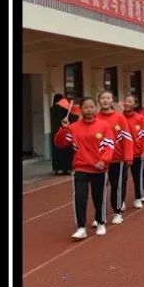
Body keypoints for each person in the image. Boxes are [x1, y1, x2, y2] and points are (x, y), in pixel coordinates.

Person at [53, 97, 115, 239]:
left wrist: (104, 161)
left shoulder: (104, 126)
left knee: (98, 197)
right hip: (80, 168)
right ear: (81, 109)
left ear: (95, 108)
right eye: (86, 107)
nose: (89, 110)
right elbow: (60, 143)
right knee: (80, 198)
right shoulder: (73, 127)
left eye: (91, 107)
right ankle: (81, 227)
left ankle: (100, 222)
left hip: (98, 168)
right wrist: (63, 128)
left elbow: (109, 146)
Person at [97, 91, 133, 225]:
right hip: (100, 160)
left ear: (112, 101)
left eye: (108, 98)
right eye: (103, 98)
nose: (105, 100)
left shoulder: (120, 118)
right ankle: (100, 214)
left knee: (117, 186)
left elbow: (127, 138)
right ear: (99, 101)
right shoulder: (95, 118)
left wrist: (128, 157)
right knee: (100, 187)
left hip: (118, 159)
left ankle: (117, 211)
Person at [50, 94, 74, 175]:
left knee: (56, 151)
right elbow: (70, 118)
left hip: (55, 133)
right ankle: (67, 168)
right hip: (64, 131)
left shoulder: (53, 108)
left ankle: (56, 168)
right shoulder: (65, 108)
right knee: (66, 151)